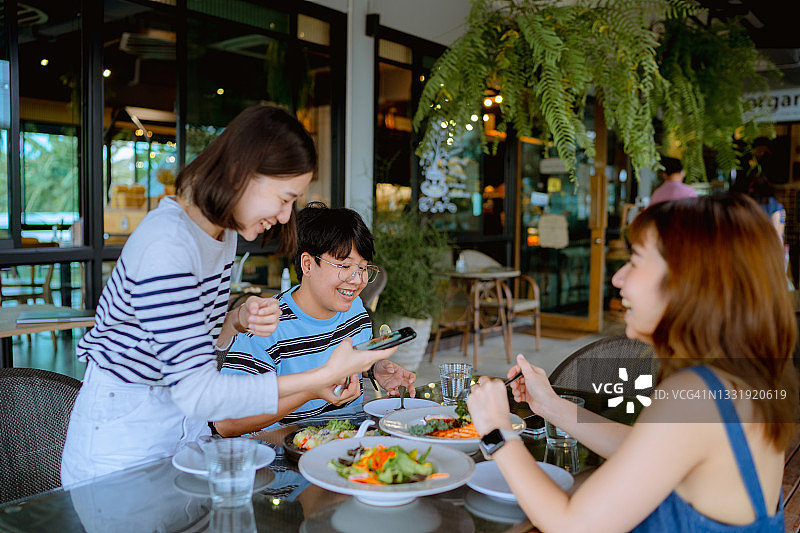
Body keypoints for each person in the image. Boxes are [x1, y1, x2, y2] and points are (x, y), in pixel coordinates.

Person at [61, 105, 396, 485]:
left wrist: (235, 320)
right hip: (124, 434)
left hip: (179, 425)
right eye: (284, 198)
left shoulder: (221, 235)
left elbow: (190, 340)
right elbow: (200, 394)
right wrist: (320, 377)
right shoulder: (167, 245)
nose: (287, 217)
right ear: (242, 175)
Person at [466, 194, 796, 532]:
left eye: (635, 261)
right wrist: (550, 405)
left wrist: (497, 431)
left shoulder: (698, 393)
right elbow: (645, 450)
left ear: (689, 280)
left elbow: (572, 525)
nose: (617, 278)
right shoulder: (742, 379)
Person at [214, 202, 416, 436]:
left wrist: (373, 370)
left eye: (363, 268)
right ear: (308, 264)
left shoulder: (356, 310)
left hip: (349, 447)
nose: (357, 279)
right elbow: (226, 424)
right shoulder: (266, 324)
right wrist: (311, 391)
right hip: (284, 457)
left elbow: (343, 363)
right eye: (345, 265)